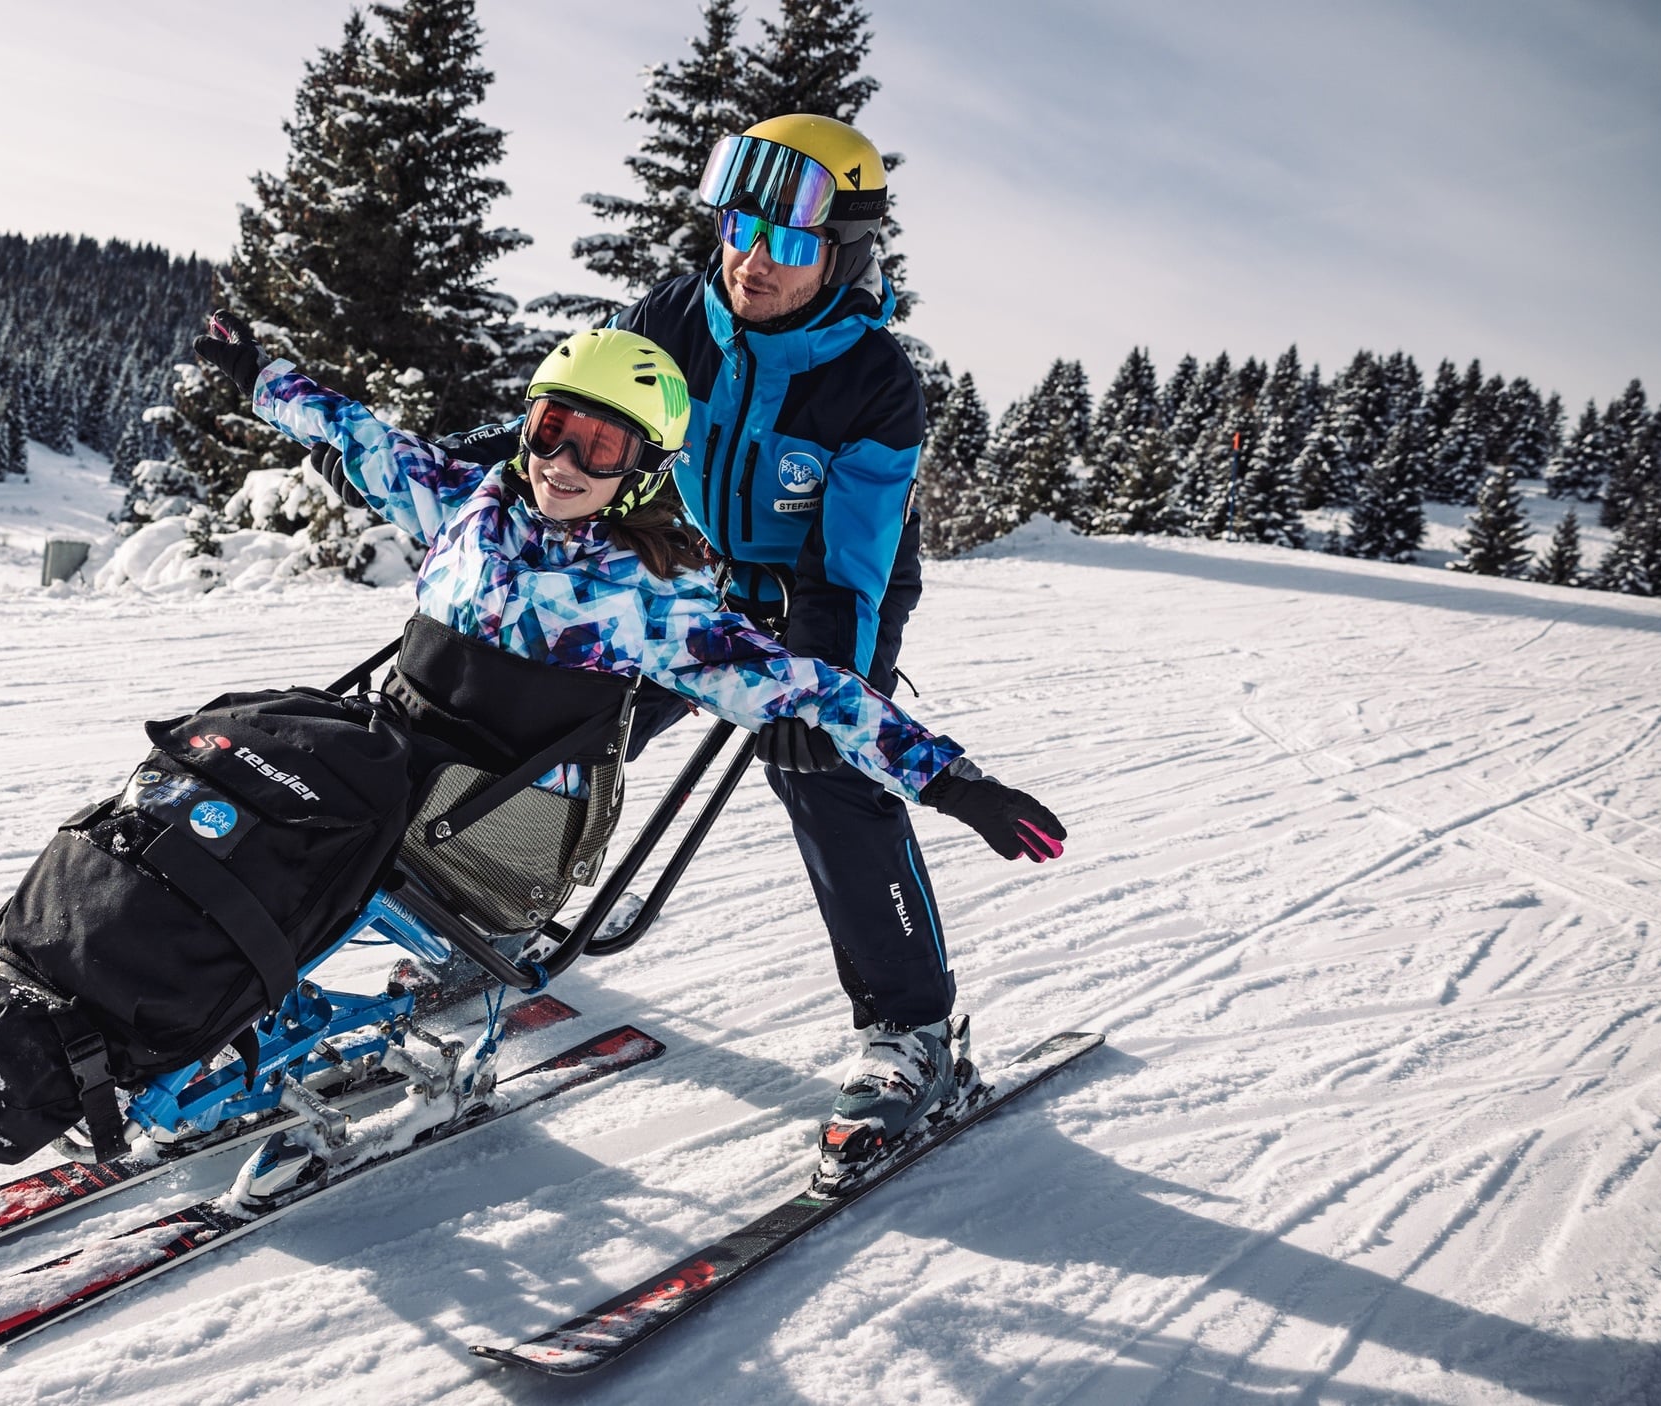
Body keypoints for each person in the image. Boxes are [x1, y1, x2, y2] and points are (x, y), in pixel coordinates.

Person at [192, 311, 1064, 1165]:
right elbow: (367, 436)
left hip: (766, 607)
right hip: (412, 763)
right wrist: (263, 378)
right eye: (550, 433)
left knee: (820, 774)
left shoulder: (856, 391)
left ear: (644, 466)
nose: (563, 459)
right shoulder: (509, 475)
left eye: (598, 448)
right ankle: (216, 988)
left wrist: (952, 780)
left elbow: (838, 626)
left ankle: (906, 1025)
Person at [595, 113, 1063, 1147]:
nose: (753, 262)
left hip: (831, 594)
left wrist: (822, 684)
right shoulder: (677, 311)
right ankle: (492, 906)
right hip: (705, 570)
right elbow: (591, 419)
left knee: (825, 767)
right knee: (572, 712)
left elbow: (849, 562)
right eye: (739, 229)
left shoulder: (872, 380)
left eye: (791, 244)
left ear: (840, 256)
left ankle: (910, 1025)